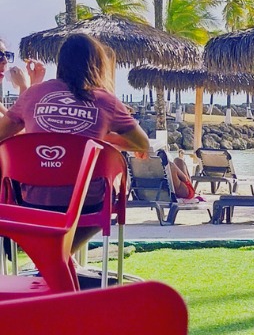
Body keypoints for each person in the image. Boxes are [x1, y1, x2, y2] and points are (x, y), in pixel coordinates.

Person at [0, 32, 150, 250]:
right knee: (100, 202)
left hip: (32, 201)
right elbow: (142, 144)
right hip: (89, 204)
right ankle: (60, 258)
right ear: (98, 65)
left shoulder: (33, 94)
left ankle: (55, 259)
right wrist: (101, 138)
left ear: (61, 63)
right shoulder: (107, 102)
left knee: (53, 246)